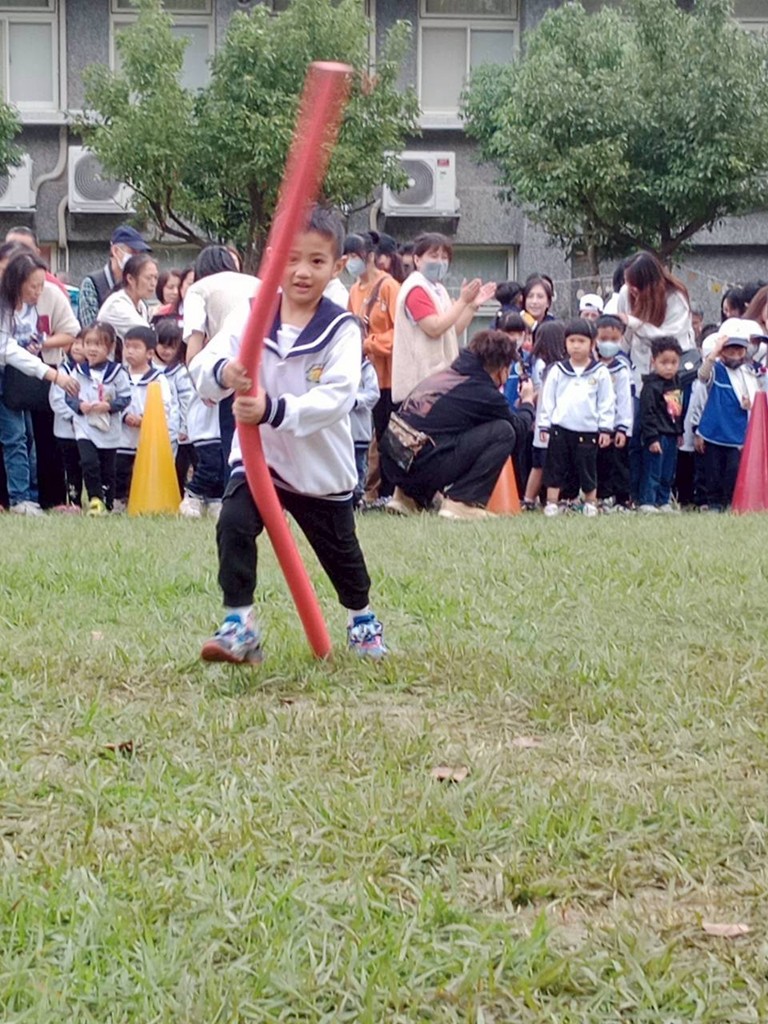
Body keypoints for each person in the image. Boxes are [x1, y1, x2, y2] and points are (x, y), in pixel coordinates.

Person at [190, 205, 387, 663]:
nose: (302, 272)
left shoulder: (340, 328)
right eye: (291, 259)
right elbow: (203, 366)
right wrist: (225, 372)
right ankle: (239, 622)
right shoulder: (253, 314)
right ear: (274, 259)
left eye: (316, 261)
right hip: (261, 459)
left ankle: (361, 618)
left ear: (337, 266)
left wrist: (273, 410)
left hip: (319, 467)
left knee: (341, 554)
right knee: (233, 523)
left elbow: (337, 396)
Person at [380, 329, 535, 521]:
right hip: (420, 465)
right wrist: (527, 403)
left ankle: (405, 497)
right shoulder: (481, 390)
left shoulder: (448, 375)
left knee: (437, 433)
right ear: (502, 369)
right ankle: (462, 503)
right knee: (504, 431)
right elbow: (518, 430)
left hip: (393, 462)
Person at [0, 257, 79, 515]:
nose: (38, 292)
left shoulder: (26, 307)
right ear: (17, 282)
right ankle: (20, 498)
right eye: (33, 286)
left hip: (16, 378)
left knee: (27, 437)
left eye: (41, 285)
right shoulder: (3, 306)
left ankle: (30, 497)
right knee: (14, 437)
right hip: (7, 374)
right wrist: (53, 375)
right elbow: (8, 349)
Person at [391, 232, 495, 405]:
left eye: (444, 257)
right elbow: (435, 328)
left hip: (439, 382)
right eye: (434, 256)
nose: (440, 262)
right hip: (420, 385)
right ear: (417, 260)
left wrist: (471, 306)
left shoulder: (438, 289)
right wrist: (462, 301)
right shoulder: (416, 289)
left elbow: (452, 331)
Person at [183, 245, 259, 474]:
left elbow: (194, 348)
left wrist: (203, 386)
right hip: (269, 366)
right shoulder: (256, 283)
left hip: (230, 369)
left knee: (233, 447)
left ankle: (234, 491)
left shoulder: (198, 289)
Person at [344, 231, 400, 504]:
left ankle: (389, 491)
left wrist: (369, 343)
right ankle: (369, 490)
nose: (350, 261)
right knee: (368, 436)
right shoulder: (354, 290)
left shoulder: (389, 286)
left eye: (354, 255)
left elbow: (400, 332)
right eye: (347, 256)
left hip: (388, 375)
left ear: (369, 256)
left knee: (388, 434)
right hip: (364, 374)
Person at [539, 318, 614, 518]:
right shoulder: (558, 370)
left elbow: (606, 402)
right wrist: (544, 425)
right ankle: (552, 503)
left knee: (588, 468)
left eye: (581, 341)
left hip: (588, 430)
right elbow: (548, 400)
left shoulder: (600, 372)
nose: (576, 346)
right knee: (556, 467)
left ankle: (590, 502)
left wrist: (605, 428)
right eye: (572, 341)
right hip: (560, 428)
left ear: (592, 343)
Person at [694, 319, 760, 511]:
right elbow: (702, 376)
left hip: (736, 432)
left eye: (740, 351)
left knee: (732, 470)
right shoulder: (717, 370)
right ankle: (714, 503)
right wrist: (714, 352)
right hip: (714, 431)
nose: (736, 356)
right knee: (713, 471)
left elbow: (754, 400)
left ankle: (728, 502)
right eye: (731, 351)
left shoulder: (748, 373)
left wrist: (748, 404)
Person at [67, 321, 131, 515]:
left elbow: (125, 397)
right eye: (88, 343)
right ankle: (95, 498)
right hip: (84, 425)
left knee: (107, 467)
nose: (92, 349)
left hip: (108, 427)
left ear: (110, 347)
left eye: (98, 344)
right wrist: (80, 406)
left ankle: (107, 502)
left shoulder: (117, 372)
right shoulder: (78, 371)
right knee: (88, 462)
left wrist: (109, 406)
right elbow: (69, 396)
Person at [637, 336, 698, 514]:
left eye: (673, 362)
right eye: (664, 363)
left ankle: (663, 500)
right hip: (657, 435)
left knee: (668, 471)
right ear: (653, 361)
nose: (669, 367)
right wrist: (652, 438)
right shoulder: (650, 386)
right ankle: (648, 500)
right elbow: (647, 414)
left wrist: (680, 432)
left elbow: (677, 411)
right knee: (653, 469)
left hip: (672, 434)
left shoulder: (677, 383)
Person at [114, 325, 173, 510]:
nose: (130, 351)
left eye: (136, 347)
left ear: (150, 353)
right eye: (127, 346)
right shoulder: (119, 375)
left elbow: (165, 405)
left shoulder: (158, 378)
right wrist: (124, 415)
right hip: (123, 435)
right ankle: (118, 501)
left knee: (144, 469)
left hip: (147, 436)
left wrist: (145, 418)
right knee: (120, 469)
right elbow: (112, 398)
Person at [521, 320, 566, 511]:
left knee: (540, 464)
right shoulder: (547, 367)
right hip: (547, 424)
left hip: (544, 422)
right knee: (543, 464)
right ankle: (536, 499)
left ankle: (532, 499)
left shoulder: (546, 365)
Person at [79, 225, 152, 328]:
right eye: (133, 252)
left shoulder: (137, 284)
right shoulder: (93, 283)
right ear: (115, 251)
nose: (137, 259)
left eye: (140, 254)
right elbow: (90, 329)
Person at [594, 316, 633, 510]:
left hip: (617, 426)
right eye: (603, 339)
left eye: (614, 339)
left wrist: (623, 428)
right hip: (595, 424)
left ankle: (622, 499)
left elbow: (625, 400)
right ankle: (601, 496)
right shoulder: (591, 367)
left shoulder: (622, 369)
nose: (608, 343)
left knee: (618, 463)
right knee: (599, 462)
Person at [154, 317, 196, 496]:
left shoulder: (179, 372)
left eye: (172, 347)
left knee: (174, 466)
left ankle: (174, 495)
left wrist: (185, 427)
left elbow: (186, 400)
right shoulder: (149, 369)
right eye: (163, 345)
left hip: (175, 430)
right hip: (151, 426)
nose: (167, 351)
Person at [49, 332, 86, 510]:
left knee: (89, 465)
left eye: (82, 343)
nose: (77, 347)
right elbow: (56, 400)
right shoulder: (63, 371)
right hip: (66, 431)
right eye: (75, 343)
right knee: (71, 468)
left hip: (89, 430)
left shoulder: (95, 372)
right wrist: (74, 416)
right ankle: (74, 501)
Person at [97, 253, 159, 345]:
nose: (153, 283)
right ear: (130, 279)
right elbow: (148, 336)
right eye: (148, 278)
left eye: (156, 278)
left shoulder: (141, 305)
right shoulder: (117, 305)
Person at [350, 352, 380, 508]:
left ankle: (357, 495)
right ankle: (346, 494)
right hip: (342, 431)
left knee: (359, 465)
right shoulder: (339, 365)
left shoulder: (367, 370)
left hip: (360, 429)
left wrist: (355, 401)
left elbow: (373, 394)